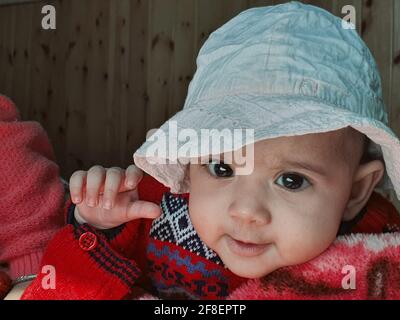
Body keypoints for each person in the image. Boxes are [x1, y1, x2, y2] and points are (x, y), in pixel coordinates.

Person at [20, 1, 400, 299]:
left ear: (355, 191)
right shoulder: (150, 211)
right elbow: (55, 291)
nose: (246, 211)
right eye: (221, 169)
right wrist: (97, 228)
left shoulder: (377, 258)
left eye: (291, 180)